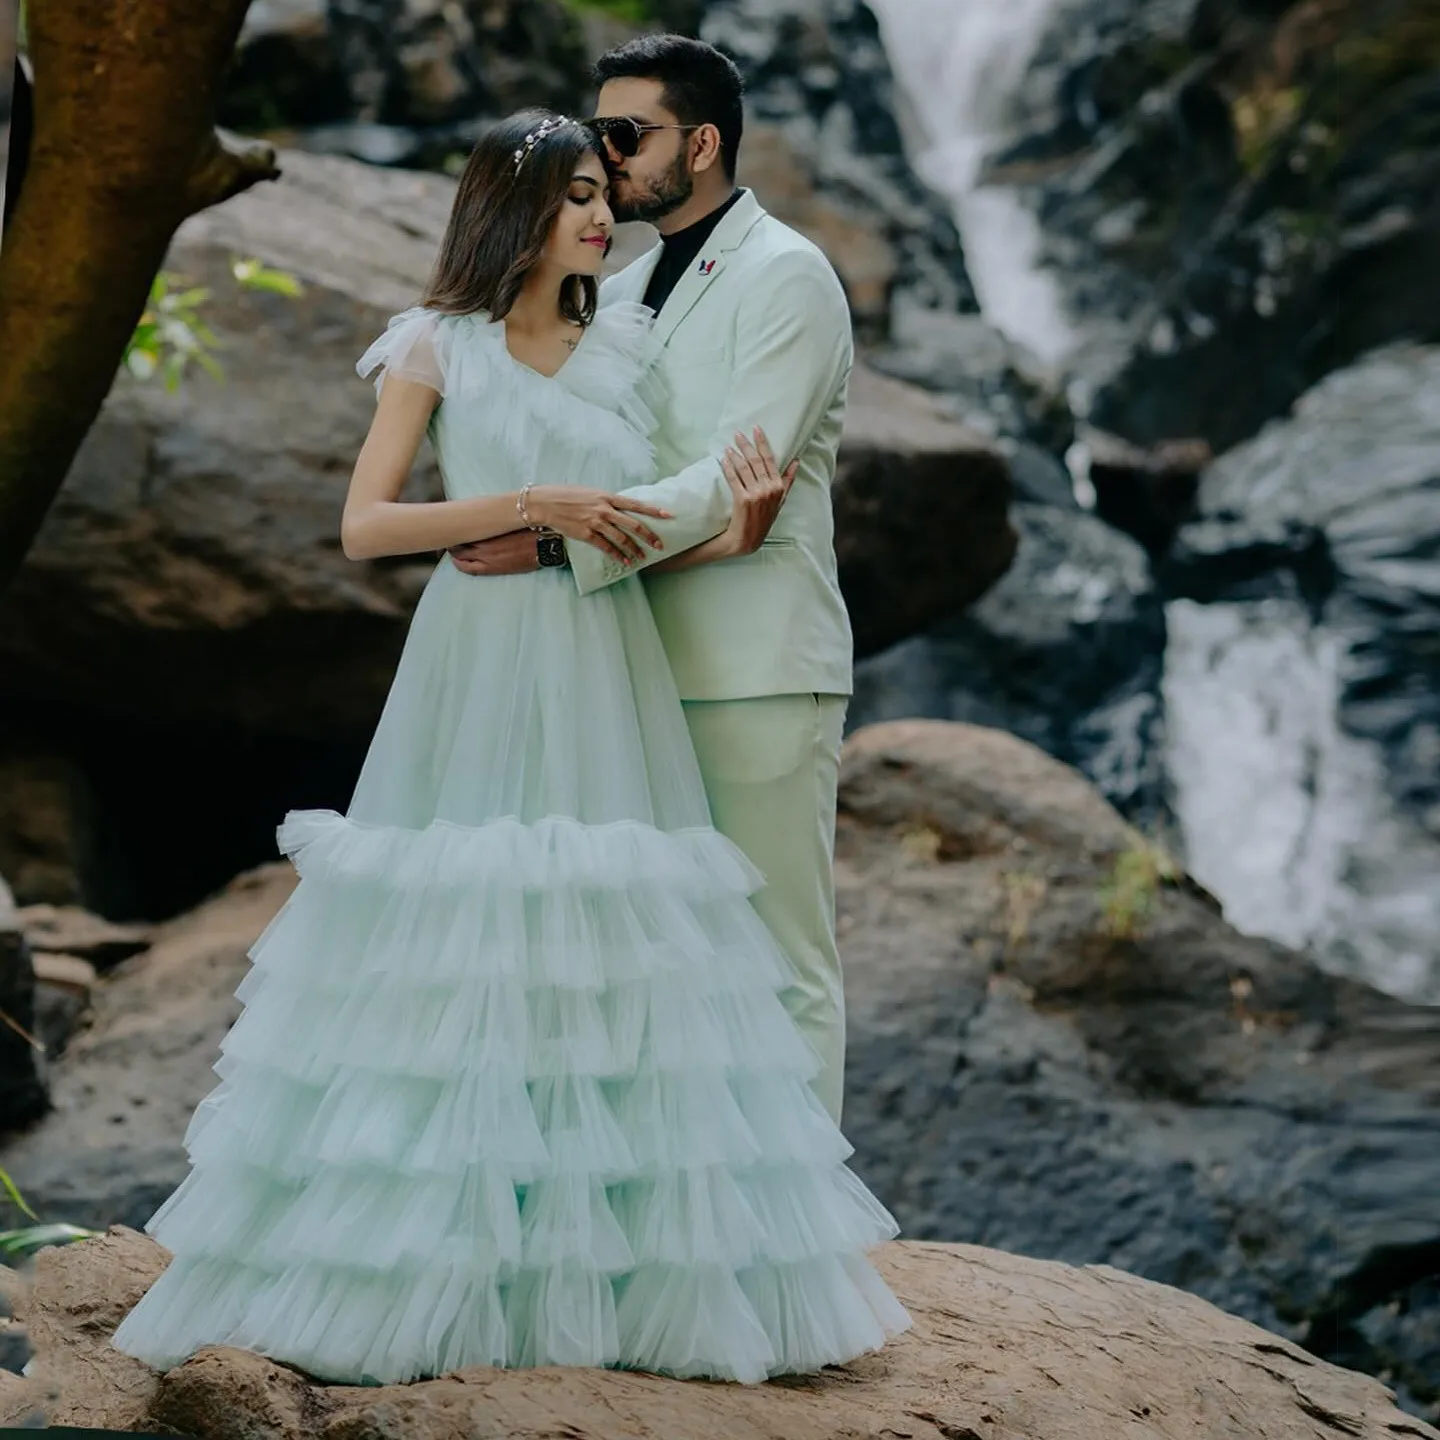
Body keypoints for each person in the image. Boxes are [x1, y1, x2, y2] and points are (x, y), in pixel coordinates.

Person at [109, 110, 909, 1388]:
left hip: (603, 650)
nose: (601, 217)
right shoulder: (438, 342)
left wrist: (732, 536)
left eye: (605, 193)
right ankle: (422, 1260)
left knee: (612, 938)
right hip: (472, 655)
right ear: (511, 210)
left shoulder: (626, 342)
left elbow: (624, 533)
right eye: (577, 196)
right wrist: (527, 504)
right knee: (457, 927)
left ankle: (601, 1275)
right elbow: (370, 525)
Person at [450, 36, 856, 1126]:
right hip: (620, 668)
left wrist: (554, 542)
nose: (606, 156)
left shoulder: (789, 277)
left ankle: (799, 1260)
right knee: (649, 972)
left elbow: (735, 476)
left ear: (705, 144)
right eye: (600, 135)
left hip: (751, 664)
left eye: (626, 137)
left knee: (777, 956)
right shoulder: (613, 287)